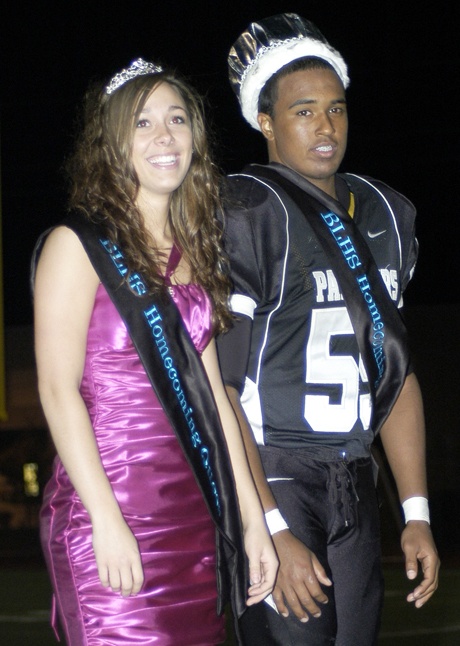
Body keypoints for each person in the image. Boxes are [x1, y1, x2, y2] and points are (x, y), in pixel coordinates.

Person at [33, 58, 278, 646]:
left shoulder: (197, 248)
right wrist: (105, 519)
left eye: (176, 119)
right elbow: (55, 389)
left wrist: (253, 522)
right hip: (110, 508)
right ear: (112, 142)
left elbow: (215, 397)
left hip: (195, 515)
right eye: (142, 123)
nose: (165, 137)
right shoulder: (79, 243)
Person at [216, 13, 440, 645]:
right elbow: (219, 389)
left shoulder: (386, 213)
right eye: (304, 111)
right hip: (274, 468)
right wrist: (270, 524)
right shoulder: (245, 209)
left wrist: (416, 510)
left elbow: (394, 373)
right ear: (265, 121)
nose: (325, 127)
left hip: (356, 477)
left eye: (336, 109)